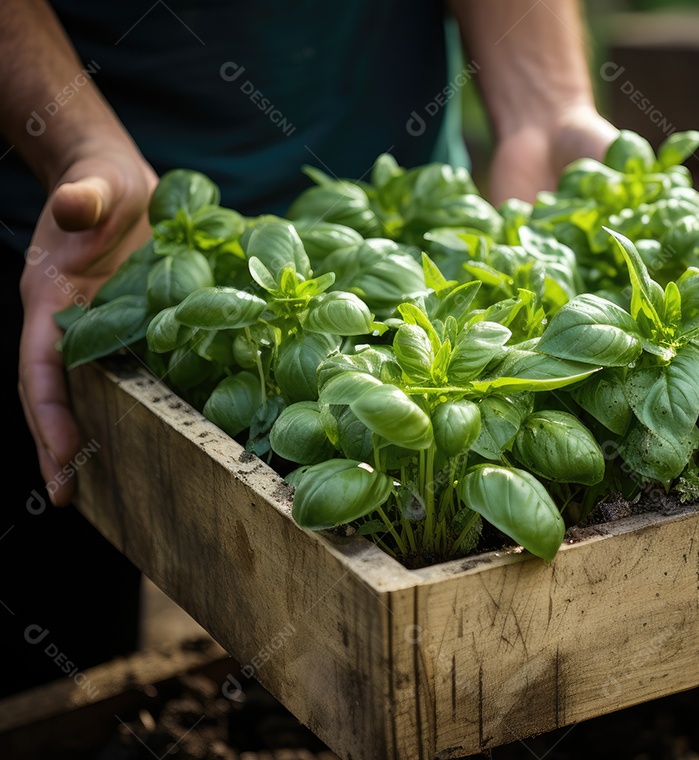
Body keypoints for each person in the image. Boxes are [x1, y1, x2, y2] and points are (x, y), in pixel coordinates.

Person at [0, 0, 616, 697]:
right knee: (58, 659)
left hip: (408, 213)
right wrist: (72, 138)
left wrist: (547, 103)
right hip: (101, 250)